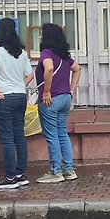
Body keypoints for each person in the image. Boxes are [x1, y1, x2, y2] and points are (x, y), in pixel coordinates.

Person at [0, 18, 34, 189]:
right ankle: (21, 174)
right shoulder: (22, 52)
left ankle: (10, 177)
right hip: (20, 96)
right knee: (19, 136)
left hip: (3, 98)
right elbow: (30, 74)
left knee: (7, 138)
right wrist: (19, 86)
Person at [35, 23, 81, 184]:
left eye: (42, 34)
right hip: (65, 98)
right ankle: (69, 169)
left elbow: (48, 68)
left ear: (46, 37)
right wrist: (71, 90)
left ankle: (55, 171)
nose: (40, 37)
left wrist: (47, 91)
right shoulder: (64, 55)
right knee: (62, 133)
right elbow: (77, 68)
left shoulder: (46, 53)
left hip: (51, 99)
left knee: (52, 135)